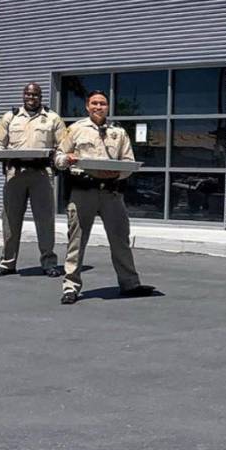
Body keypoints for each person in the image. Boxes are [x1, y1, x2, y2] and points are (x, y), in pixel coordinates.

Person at [53, 90, 155, 305]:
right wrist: (68, 159)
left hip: (111, 193)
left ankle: (129, 283)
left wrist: (118, 173)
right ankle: (70, 287)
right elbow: (58, 157)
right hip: (83, 192)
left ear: (108, 107)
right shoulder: (75, 130)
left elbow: (129, 162)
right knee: (76, 241)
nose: (99, 107)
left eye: (103, 103)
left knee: (120, 240)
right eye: (94, 103)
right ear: (87, 107)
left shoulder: (118, 132)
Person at [0, 82, 67, 278]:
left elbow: (63, 145)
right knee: (10, 220)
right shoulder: (10, 116)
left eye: (36, 95)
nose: (32, 98)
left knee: (45, 220)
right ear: (23, 96)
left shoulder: (52, 118)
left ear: (41, 97)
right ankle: (7, 263)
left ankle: (48, 262)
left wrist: (59, 159)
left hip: (41, 175)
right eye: (28, 94)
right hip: (15, 174)